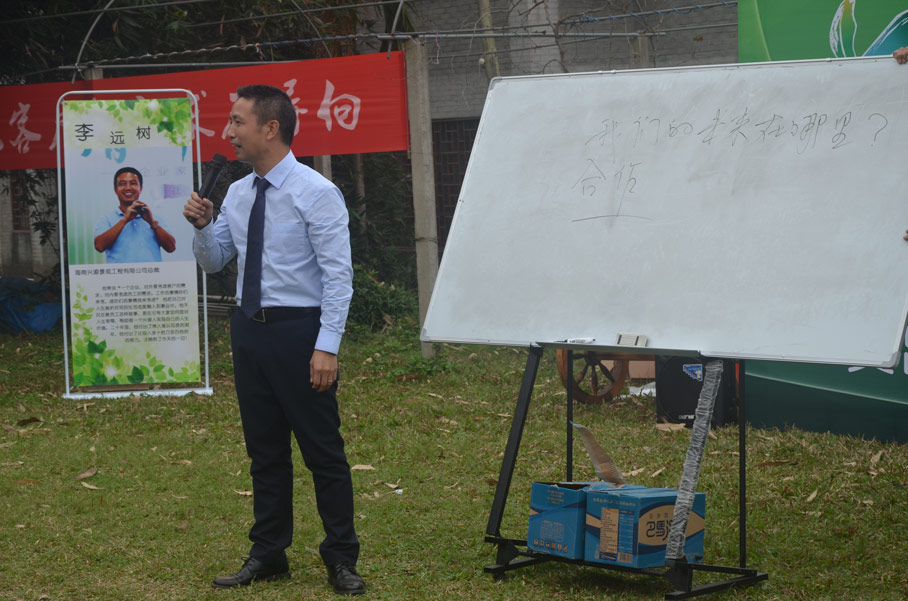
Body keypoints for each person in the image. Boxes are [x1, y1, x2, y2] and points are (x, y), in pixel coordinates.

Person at [182, 85, 364, 595]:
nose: (228, 132)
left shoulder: (316, 192)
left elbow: (338, 278)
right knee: (264, 452)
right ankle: (268, 553)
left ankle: (341, 557)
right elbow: (215, 261)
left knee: (322, 452)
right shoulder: (239, 193)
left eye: (237, 122)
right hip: (250, 332)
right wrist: (203, 227)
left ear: (270, 128)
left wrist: (327, 346)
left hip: (299, 333)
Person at [93, 167, 176, 263]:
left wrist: (152, 223)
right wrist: (124, 220)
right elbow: (99, 246)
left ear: (141, 188)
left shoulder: (154, 217)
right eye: (122, 184)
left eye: (133, 183)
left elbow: (171, 248)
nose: (128, 188)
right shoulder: (106, 219)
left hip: (151, 273)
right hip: (120, 273)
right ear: (115, 189)